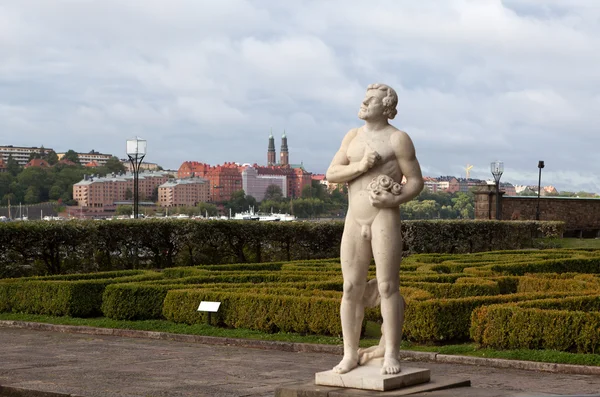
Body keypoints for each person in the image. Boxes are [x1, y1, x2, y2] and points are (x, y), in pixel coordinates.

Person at [326, 83, 423, 375]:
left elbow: (416, 181)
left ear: (387, 107)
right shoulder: (352, 137)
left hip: (384, 217)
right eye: (364, 98)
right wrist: (362, 165)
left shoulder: (398, 139)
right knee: (350, 288)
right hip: (355, 218)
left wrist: (396, 197)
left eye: (371, 100)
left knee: (387, 286)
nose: (364, 103)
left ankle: (391, 352)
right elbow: (332, 172)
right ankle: (350, 354)